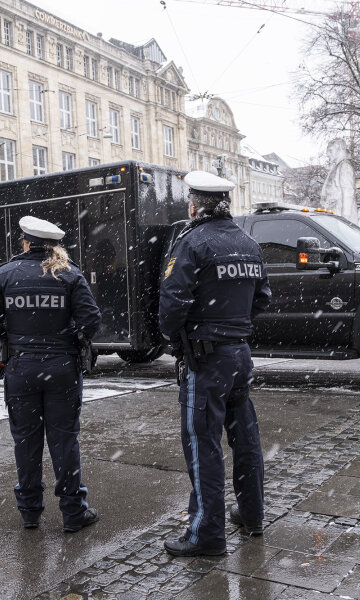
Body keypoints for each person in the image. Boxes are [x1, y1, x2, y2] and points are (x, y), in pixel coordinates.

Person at [158, 171, 271, 557]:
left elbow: (172, 305)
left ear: (194, 205)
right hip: (239, 354)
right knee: (246, 439)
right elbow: (262, 299)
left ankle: (207, 535)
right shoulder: (248, 242)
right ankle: (252, 515)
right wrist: (233, 327)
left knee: (202, 444)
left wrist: (180, 344)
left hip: (205, 359)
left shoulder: (192, 242)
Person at [0, 215, 102, 532]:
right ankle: (73, 513)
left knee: (26, 442)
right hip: (62, 368)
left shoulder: (5, 275)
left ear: (25, 242)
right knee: (64, 442)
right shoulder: (70, 275)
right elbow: (92, 321)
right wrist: (71, 339)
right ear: (54, 246)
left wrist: (10, 339)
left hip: (21, 368)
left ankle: (30, 512)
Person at [321, 138, 358, 224]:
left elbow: (348, 191)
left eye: (330, 150)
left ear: (339, 149)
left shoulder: (344, 166)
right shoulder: (337, 166)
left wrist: (345, 217)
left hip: (341, 217)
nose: (327, 154)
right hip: (336, 216)